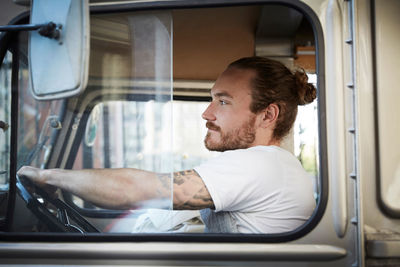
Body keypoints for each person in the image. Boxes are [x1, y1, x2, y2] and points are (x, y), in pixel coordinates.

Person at [18, 56, 317, 234]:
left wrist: (49, 177)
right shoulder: (272, 166)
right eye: (212, 98)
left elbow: (134, 191)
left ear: (268, 114)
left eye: (223, 101)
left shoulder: (260, 164)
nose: (207, 113)